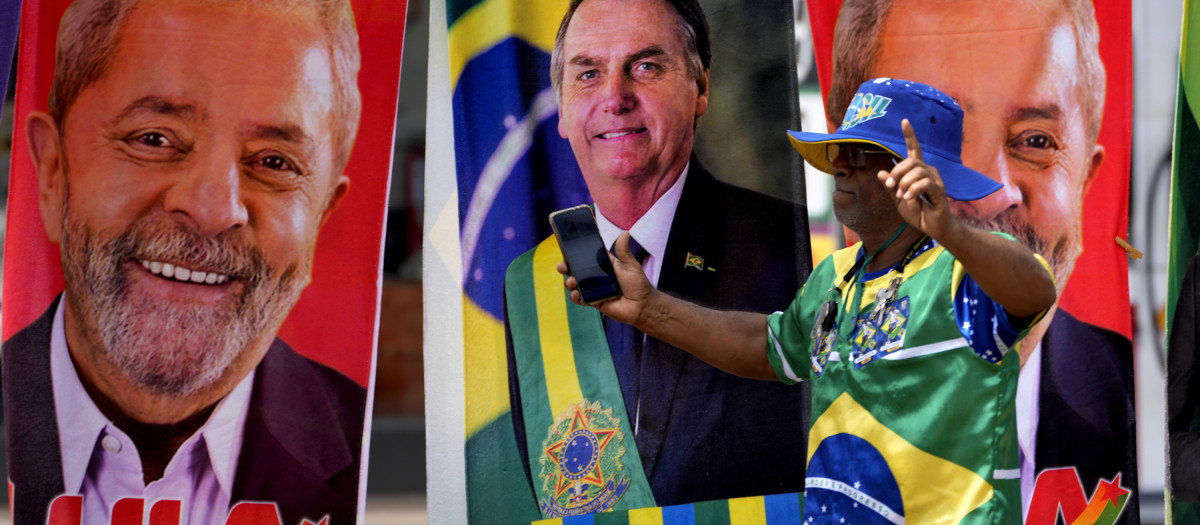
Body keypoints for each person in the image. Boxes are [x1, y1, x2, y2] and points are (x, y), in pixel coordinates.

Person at [568, 78, 1056, 523]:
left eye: (863, 152)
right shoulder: (836, 276)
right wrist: (650, 308)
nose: (841, 164)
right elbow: (769, 346)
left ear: (918, 172)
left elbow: (1034, 293)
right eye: (840, 148)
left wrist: (948, 229)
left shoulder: (962, 270)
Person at [3, 1, 366, 524]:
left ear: (321, 219)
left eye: (273, 162)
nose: (214, 210)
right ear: (54, 171)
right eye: (154, 139)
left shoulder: (374, 453)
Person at [825, 0, 1136, 516]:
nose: (990, 194)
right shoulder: (758, 412)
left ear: (1086, 175)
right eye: (927, 139)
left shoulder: (1157, 413)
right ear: (846, 160)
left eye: (1035, 140)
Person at [503, 0, 812, 515]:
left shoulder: (794, 245)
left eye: (645, 67)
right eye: (587, 73)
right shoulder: (528, 283)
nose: (615, 97)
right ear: (560, 106)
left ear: (701, 89)